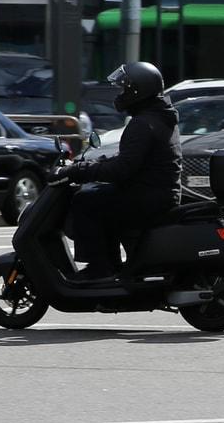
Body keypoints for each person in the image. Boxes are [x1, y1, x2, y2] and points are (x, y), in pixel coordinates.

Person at [51, 62, 181, 281]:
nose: (120, 93)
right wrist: (93, 165)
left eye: (124, 88)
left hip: (148, 197)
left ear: (136, 90)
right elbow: (131, 159)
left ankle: (100, 268)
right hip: (156, 192)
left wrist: (79, 171)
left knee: (85, 202)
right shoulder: (159, 117)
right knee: (100, 198)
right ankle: (110, 265)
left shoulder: (144, 123)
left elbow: (123, 168)